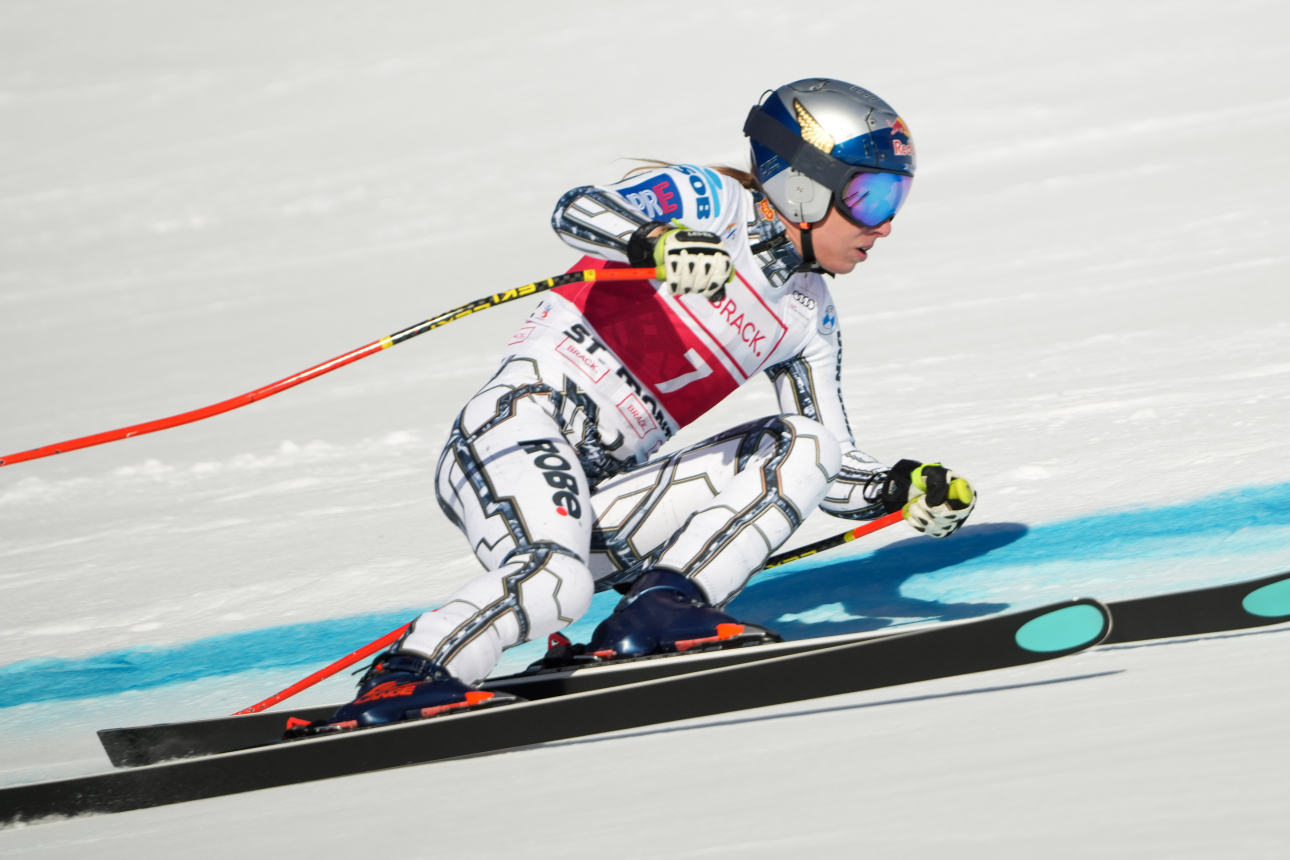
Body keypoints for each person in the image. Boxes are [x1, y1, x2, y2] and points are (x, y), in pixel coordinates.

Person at [319, 78, 977, 730]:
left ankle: (661, 608)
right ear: (802, 185)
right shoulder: (710, 201)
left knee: (808, 443)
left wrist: (900, 486)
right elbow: (579, 209)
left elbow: (829, 467)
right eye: (870, 195)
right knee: (555, 582)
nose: (885, 224)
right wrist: (658, 242)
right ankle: (407, 676)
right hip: (517, 427)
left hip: (602, 502)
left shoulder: (810, 317)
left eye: (897, 198)